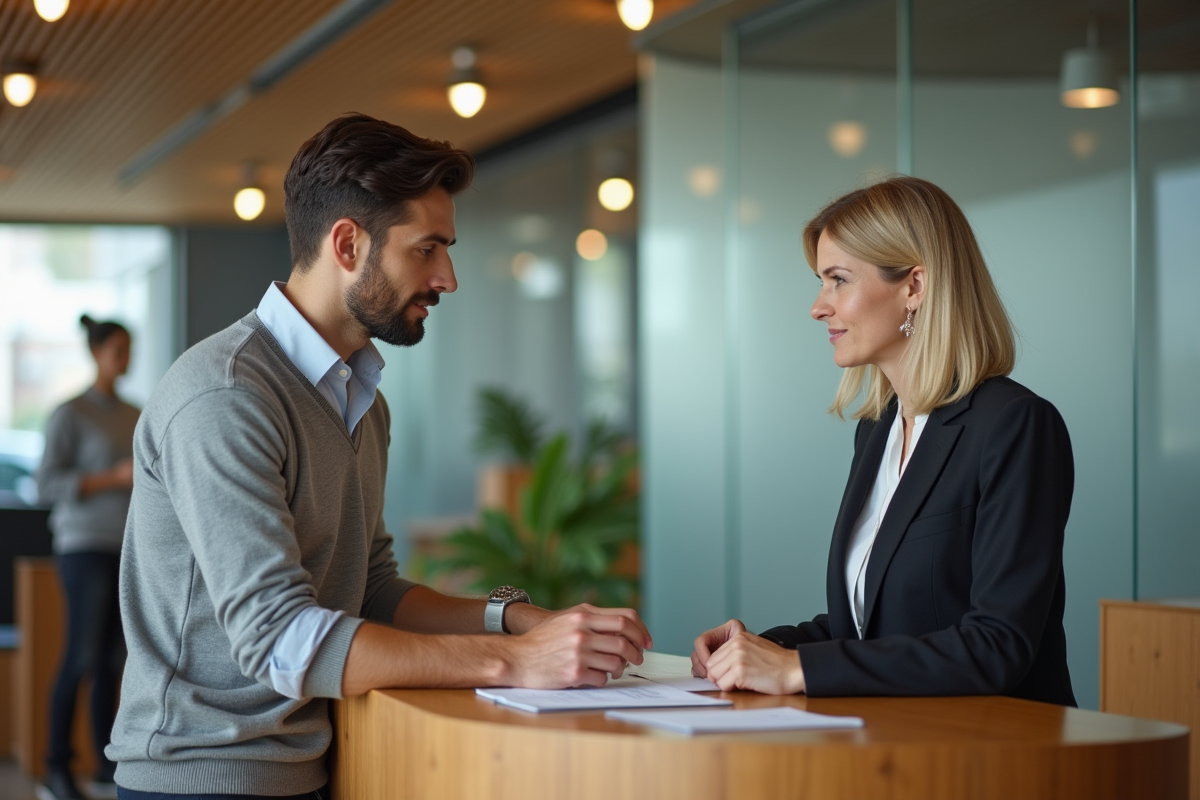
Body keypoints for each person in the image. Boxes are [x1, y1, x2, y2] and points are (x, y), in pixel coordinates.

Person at [105, 113, 651, 799]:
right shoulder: (226, 393)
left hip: (307, 769)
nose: (447, 277)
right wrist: (515, 660)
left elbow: (371, 589)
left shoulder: (360, 397)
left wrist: (515, 615)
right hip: (201, 779)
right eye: (427, 249)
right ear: (347, 243)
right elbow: (282, 639)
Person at [691, 176, 1076, 706]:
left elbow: (997, 646)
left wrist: (797, 667)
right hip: (893, 748)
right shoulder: (878, 430)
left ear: (914, 287)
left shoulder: (1014, 425)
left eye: (838, 280)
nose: (818, 307)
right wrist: (765, 647)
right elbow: (875, 626)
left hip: (995, 756)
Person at [36, 315, 139, 800]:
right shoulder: (70, 414)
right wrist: (111, 479)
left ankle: (104, 762)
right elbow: (46, 485)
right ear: (96, 352)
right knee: (79, 656)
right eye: (118, 349)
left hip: (126, 549)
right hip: (82, 547)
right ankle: (57, 764)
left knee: (113, 661)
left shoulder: (136, 412)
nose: (125, 359)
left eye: (129, 349)